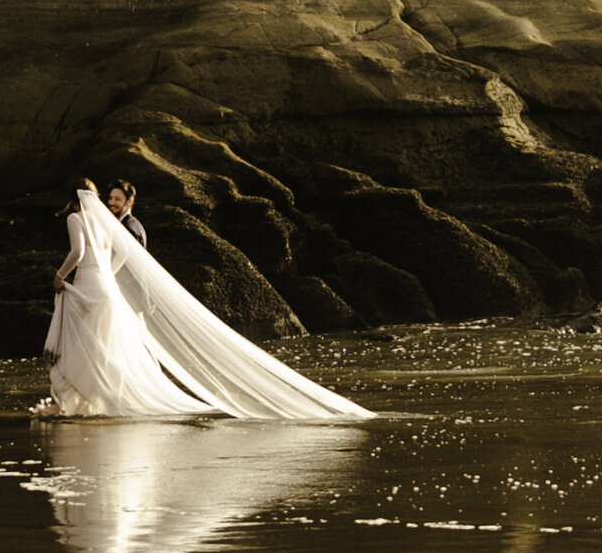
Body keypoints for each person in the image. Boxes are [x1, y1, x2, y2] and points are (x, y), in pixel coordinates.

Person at [36, 180, 371, 421]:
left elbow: (79, 251)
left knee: (88, 344)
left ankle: (85, 398)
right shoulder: (106, 222)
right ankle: (91, 397)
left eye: (116, 198)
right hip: (105, 286)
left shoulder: (78, 219)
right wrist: (107, 274)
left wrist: (60, 276)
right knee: (102, 345)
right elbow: (124, 252)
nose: (110, 203)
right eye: (107, 198)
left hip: (89, 283)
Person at [106, 180, 146, 248]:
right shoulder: (127, 224)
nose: (111, 202)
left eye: (117, 199)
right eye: (110, 198)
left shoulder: (129, 229)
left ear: (129, 202)